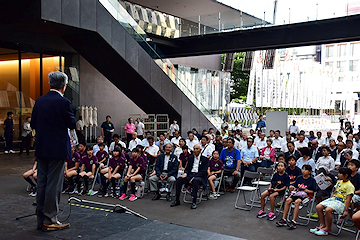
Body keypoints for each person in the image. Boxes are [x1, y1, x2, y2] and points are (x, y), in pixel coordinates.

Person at [30, 71, 76, 231]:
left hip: (42, 147)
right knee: (54, 185)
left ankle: (40, 218)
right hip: (57, 149)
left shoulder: (40, 101)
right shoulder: (63, 102)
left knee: (42, 182)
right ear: (64, 86)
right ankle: (50, 219)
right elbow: (72, 124)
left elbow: (33, 124)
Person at [311, 167, 354, 236]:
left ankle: (328, 228)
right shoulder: (339, 182)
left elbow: (348, 199)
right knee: (318, 207)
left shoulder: (350, 186)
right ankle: (323, 225)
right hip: (334, 200)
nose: (338, 174)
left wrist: (346, 210)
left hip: (342, 203)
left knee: (328, 210)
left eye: (340, 173)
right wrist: (330, 200)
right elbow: (335, 192)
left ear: (346, 175)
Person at [276, 165, 317, 229]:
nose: (303, 171)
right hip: (297, 193)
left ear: (310, 172)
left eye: (306, 170)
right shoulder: (299, 178)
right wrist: (293, 188)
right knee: (288, 200)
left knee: (297, 202)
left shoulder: (312, 180)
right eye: (303, 169)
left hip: (306, 195)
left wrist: (307, 190)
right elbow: (295, 186)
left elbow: (314, 191)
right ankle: (284, 219)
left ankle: (294, 221)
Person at [171, 144, 209, 209]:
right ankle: (177, 200)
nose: (195, 150)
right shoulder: (191, 158)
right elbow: (187, 168)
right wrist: (185, 173)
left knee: (195, 180)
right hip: (190, 175)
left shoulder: (205, 159)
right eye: (194, 149)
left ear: (200, 150)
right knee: (179, 179)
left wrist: (195, 177)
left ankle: (194, 201)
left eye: (197, 149)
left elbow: (204, 171)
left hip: (200, 176)